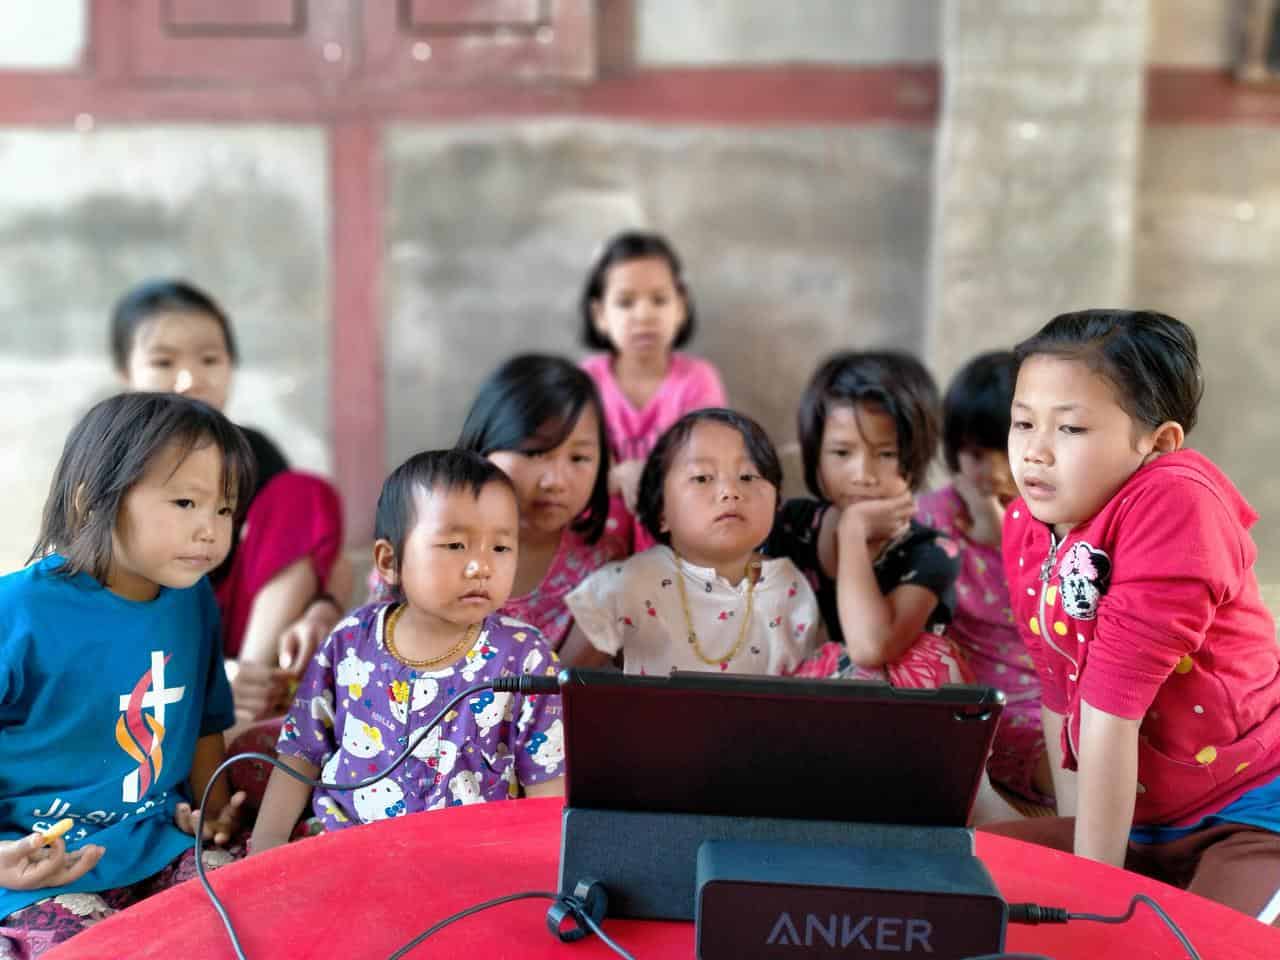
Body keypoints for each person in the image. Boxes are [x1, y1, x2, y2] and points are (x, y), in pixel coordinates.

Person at [983, 309, 1280, 922]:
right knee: (949, 882)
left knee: (1195, 946)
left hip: (1249, 815)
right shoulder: (1026, 523)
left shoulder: (1176, 505)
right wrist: (1076, 844)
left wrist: (1089, 901)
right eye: (1023, 422)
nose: (1035, 452)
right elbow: (1060, 692)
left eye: (1070, 428)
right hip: (1139, 822)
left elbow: (1110, 710)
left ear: (1159, 443)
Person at [0, 393, 252, 956]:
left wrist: (213, 815)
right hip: (34, 866)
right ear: (91, 500)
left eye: (224, 510)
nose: (210, 530)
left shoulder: (192, 600)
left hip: (158, 844)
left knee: (261, 908)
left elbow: (204, 719)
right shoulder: (16, 613)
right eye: (185, 502)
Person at [249, 450, 563, 853]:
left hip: (472, 860)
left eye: (500, 548)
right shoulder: (351, 641)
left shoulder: (526, 658)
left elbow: (547, 783)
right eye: (455, 545)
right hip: (344, 848)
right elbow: (301, 749)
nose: (481, 566)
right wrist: (267, 842)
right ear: (389, 561)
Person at [110, 279, 350, 727]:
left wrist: (325, 607)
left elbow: (320, 553)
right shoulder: (113, 455)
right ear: (126, 373)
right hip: (146, 646)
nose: (190, 377)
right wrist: (205, 672)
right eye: (164, 361)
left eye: (209, 359)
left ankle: (246, 694)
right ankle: (223, 697)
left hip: (238, 638)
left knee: (304, 494)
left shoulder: (251, 452)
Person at [369, 354, 630, 655]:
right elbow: (369, 649)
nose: (556, 481)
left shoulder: (602, 564)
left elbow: (568, 682)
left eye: (579, 458)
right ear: (484, 445)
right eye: (533, 453)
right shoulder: (422, 540)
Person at [562, 408, 818, 675]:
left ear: (776, 500)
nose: (730, 492)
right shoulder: (626, 585)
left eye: (747, 476)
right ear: (662, 512)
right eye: (702, 478)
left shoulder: (790, 587)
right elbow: (560, 685)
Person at [767, 352, 970, 687]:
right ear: (814, 453)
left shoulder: (931, 552)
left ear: (916, 456)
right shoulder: (788, 523)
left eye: (886, 454)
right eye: (841, 452)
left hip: (891, 713)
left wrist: (853, 531)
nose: (862, 474)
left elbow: (870, 648)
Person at [917, 351, 1052, 805]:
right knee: (1062, 766)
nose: (993, 473)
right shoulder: (935, 518)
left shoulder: (1057, 513)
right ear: (954, 450)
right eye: (976, 455)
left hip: (1062, 695)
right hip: (991, 704)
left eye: (1006, 453)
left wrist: (1005, 539)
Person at [579, 231, 727, 548]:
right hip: (597, 543)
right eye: (626, 302)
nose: (644, 315)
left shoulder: (698, 380)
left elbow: (709, 464)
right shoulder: (585, 381)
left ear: (681, 307)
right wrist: (616, 477)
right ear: (600, 315)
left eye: (659, 300)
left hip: (675, 539)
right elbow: (572, 467)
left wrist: (648, 477)